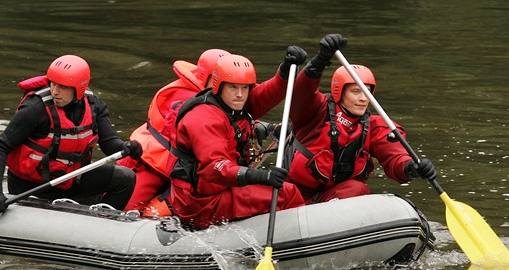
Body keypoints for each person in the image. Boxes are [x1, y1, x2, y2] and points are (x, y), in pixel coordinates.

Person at [286, 34, 437, 204]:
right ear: (339, 92)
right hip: (293, 195)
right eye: (356, 92)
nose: (363, 99)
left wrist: (411, 167)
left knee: (357, 189)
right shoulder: (315, 111)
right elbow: (301, 93)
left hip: (333, 198)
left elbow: (394, 156)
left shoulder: (376, 126)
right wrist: (320, 61)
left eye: (367, 92)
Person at [0, 54, 142, 215]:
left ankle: (103, 221)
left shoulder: (94, 106)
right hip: (32, 187)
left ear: (79, 89)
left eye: (63, 87)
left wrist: (126, 147)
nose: (55, 91)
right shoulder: (34, 109)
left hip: (71, 180)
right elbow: (1, 147)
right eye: (53, 84)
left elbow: (109, 144)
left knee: (125, 178)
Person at [168, 53, 307, 229]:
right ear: (219, 86)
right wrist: (261, 176)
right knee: (287, 193)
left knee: (286, 184)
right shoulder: (204, 117)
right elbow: (215, 167)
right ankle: (297, 241)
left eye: (245, 88)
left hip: (220, 190)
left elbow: (266, 94)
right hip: (201, 203)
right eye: (233, 87)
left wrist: (286, 71)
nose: (240, 95)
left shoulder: (233, 103)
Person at [117, 49, 231, 215]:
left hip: (178, 167)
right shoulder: (184, 99)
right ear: (204, 78)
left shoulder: (222, 101)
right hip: (151, 162)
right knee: (125, 210)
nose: (222, 87)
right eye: (216, 80)